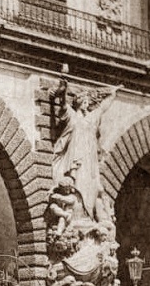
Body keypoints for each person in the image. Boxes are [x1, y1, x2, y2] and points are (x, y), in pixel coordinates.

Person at [52, 83, 121, 221]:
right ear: (78, 103)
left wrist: (112, 94)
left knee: (93, 186)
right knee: (76, 182)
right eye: (83, 102)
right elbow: (64, 106)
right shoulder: (73, 116)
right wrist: (63, 91)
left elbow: (102, 108)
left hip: (90, 160)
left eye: (87, 102)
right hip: (76, 158)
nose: (86, 104)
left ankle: (89, 215)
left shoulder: (91, 118)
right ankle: (78, 214)